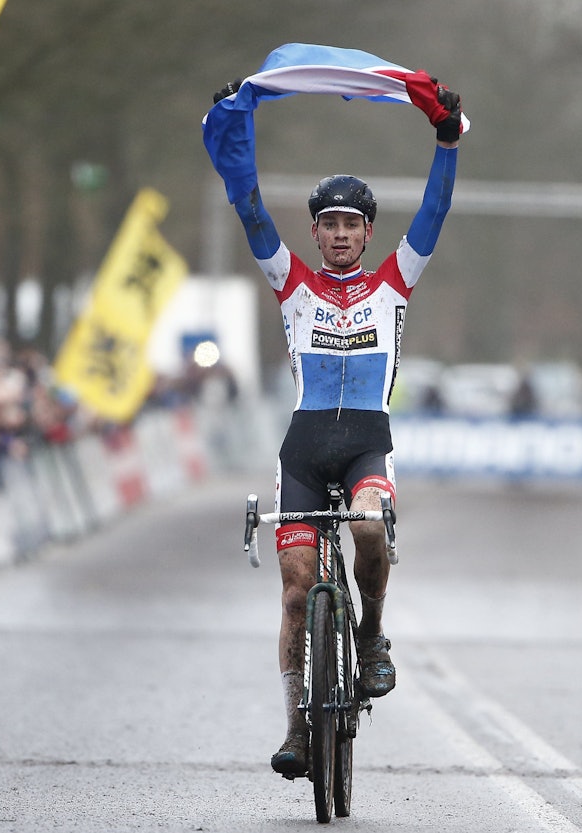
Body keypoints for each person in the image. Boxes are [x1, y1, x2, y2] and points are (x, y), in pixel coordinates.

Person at [211, 77, 462, 776]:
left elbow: (436, 209)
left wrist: (446, 138)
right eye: (331, 224)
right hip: (305, 445)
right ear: (316, 230)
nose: (343, 234)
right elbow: (248, 204)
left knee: (369, 530)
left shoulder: (394, 281)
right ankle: (297, 725)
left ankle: (374, 633)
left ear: (368, 233)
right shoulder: (290, 280)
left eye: (354, 224)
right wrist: (236, 124)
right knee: (296, 589)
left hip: (364, 445)